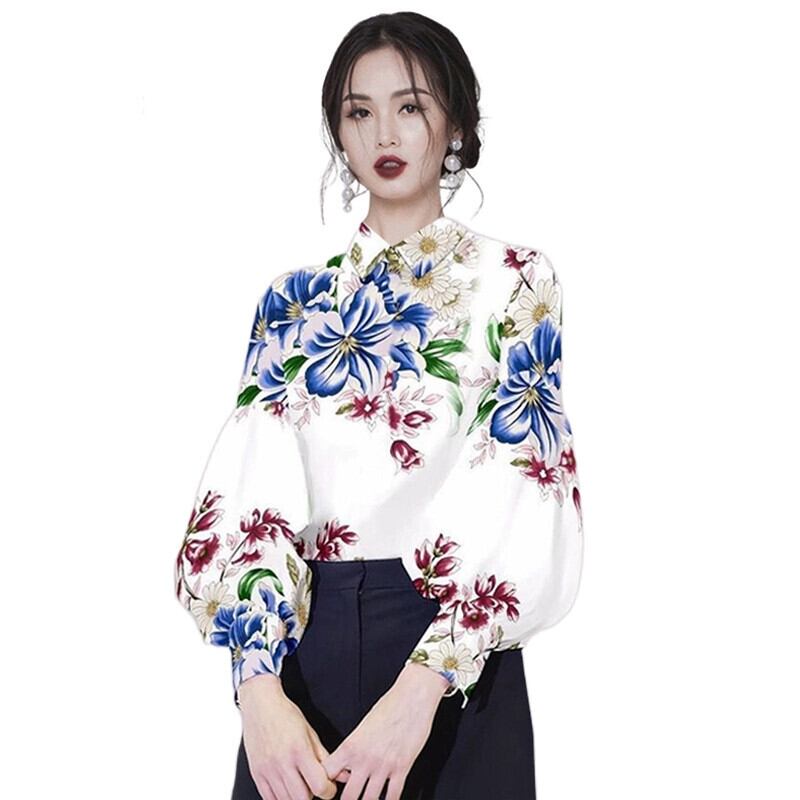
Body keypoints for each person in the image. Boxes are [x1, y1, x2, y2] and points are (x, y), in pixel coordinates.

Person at [173, 11, 584, 800]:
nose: (384, 134)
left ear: (454, 123)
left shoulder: (514, 281)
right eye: (359, 111)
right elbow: (247, 494)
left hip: (455, 656)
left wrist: (422, 688)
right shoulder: (294, 302)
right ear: (338, 129)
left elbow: (527, 484)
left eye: (411, 106)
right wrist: (256, 691)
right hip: (301, 652)